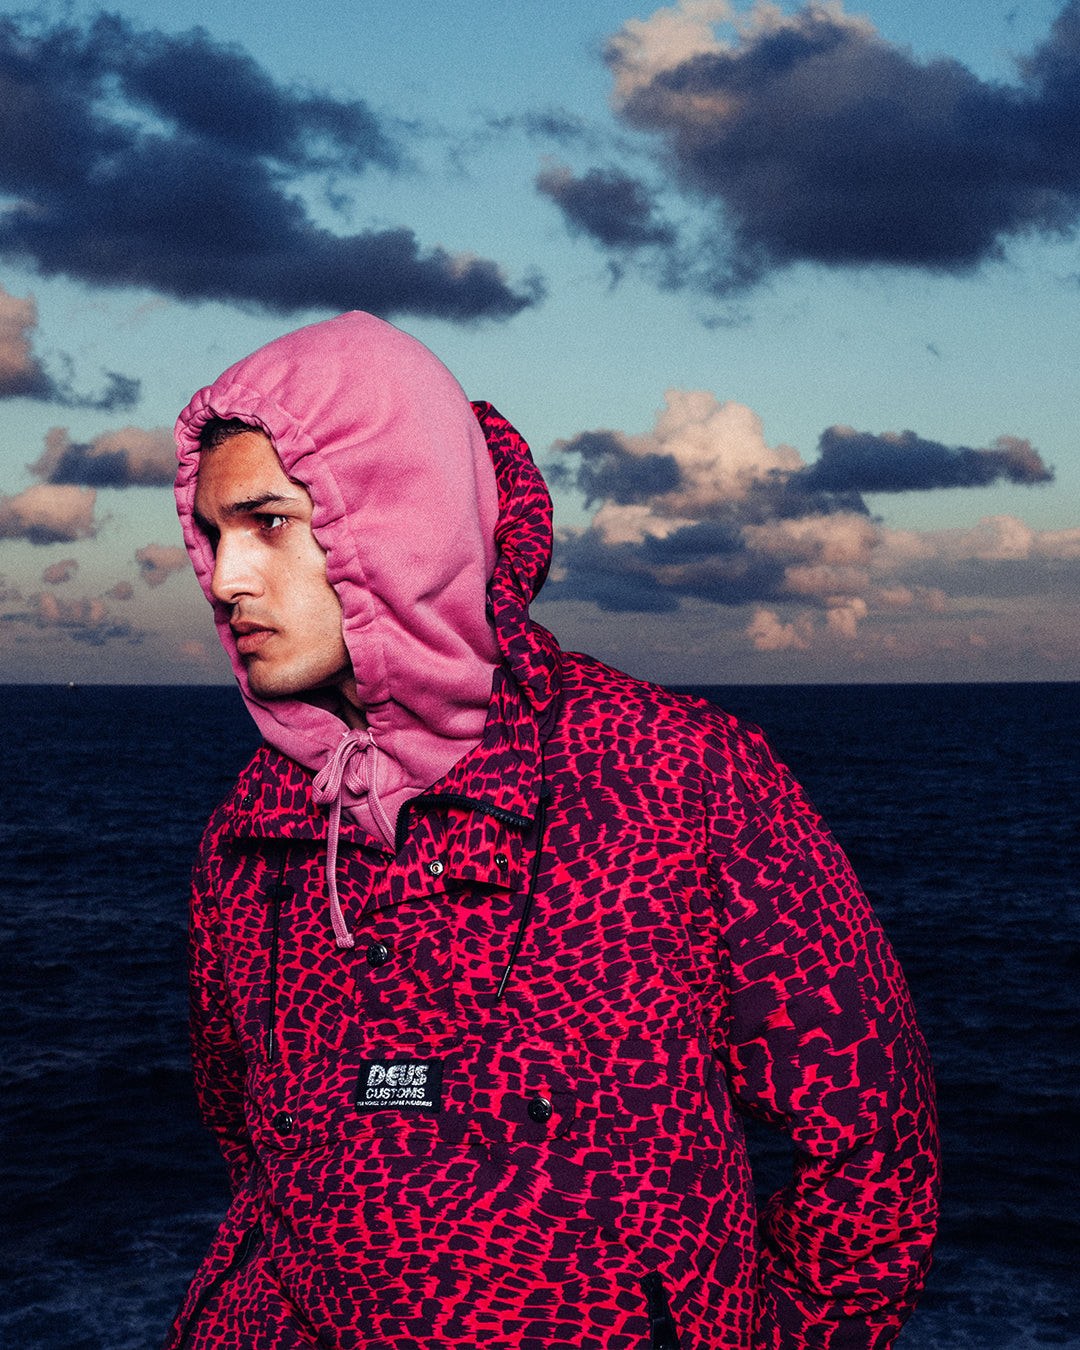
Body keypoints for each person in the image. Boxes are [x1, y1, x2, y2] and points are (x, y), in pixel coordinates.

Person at [165, 311, 938, 1350]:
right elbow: (251, 1133)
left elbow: (870, 1136)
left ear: (399, 518)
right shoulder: (250, 835)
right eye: (212, 535)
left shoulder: (673, 777)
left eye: (267, 523)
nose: (225, 580)